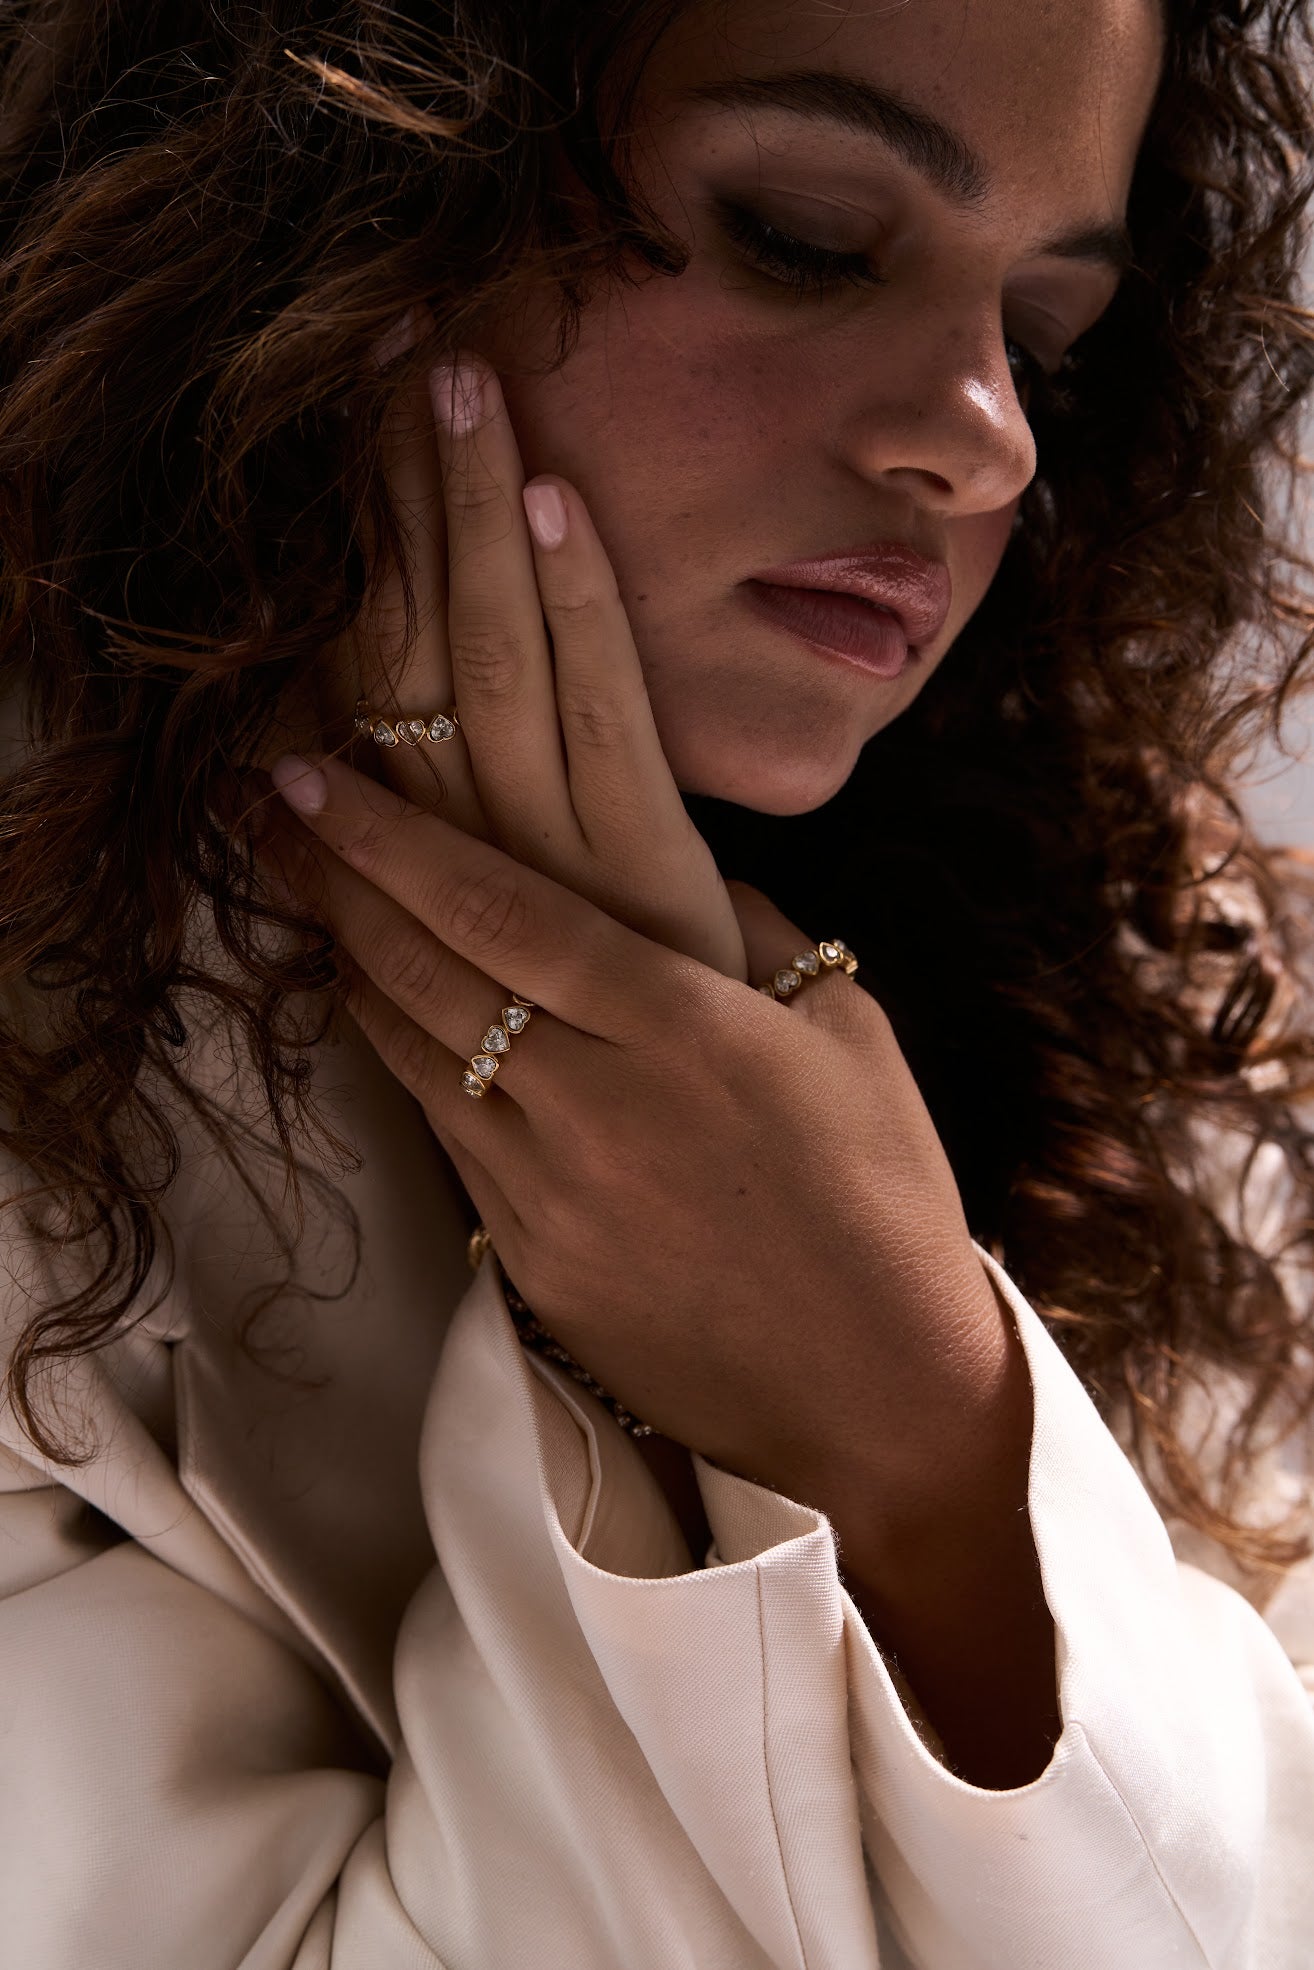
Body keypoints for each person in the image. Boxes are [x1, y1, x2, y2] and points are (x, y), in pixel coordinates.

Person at [1, 0, 1312, 1961]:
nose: (985, 432)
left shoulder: (1151, 987)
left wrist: (922, 1429)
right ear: (328, 187)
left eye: (1047, 334)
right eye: (807, 233)